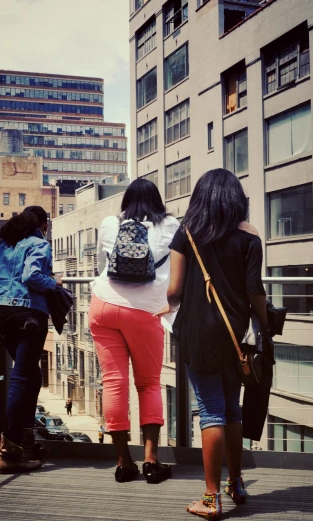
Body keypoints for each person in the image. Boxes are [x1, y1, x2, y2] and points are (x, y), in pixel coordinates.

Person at [160, 169, 268, 519]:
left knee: (210, 411)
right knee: (232, 411)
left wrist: (172, 303)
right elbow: (255, 293)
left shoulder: (187, 234)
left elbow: (174, 292)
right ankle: (234, 484)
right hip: (236, 336)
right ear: (236, 200)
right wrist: (265, 324)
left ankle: (210, 499)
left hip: (198, 334)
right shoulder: (250, 239)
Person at [90, 178, 179, 484]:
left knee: (114, 383)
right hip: (145, 311)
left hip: (102, 305)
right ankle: (151, 461)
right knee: (149, 384)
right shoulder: (169, 226)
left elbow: (103, 264)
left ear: (126, 200)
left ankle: (123, 462)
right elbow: (179, 268)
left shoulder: (110, 222)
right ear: (157, 200)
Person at [0, 206, 62, 474]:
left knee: (33, 374)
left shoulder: (4, 244)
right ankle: (9, 451)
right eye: (47, 224)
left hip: (0, 313)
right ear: (42, 224)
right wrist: (55, 284)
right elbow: (32, 276)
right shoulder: (38, 243)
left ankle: (25, 441)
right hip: (28, 313)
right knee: (21, 377)